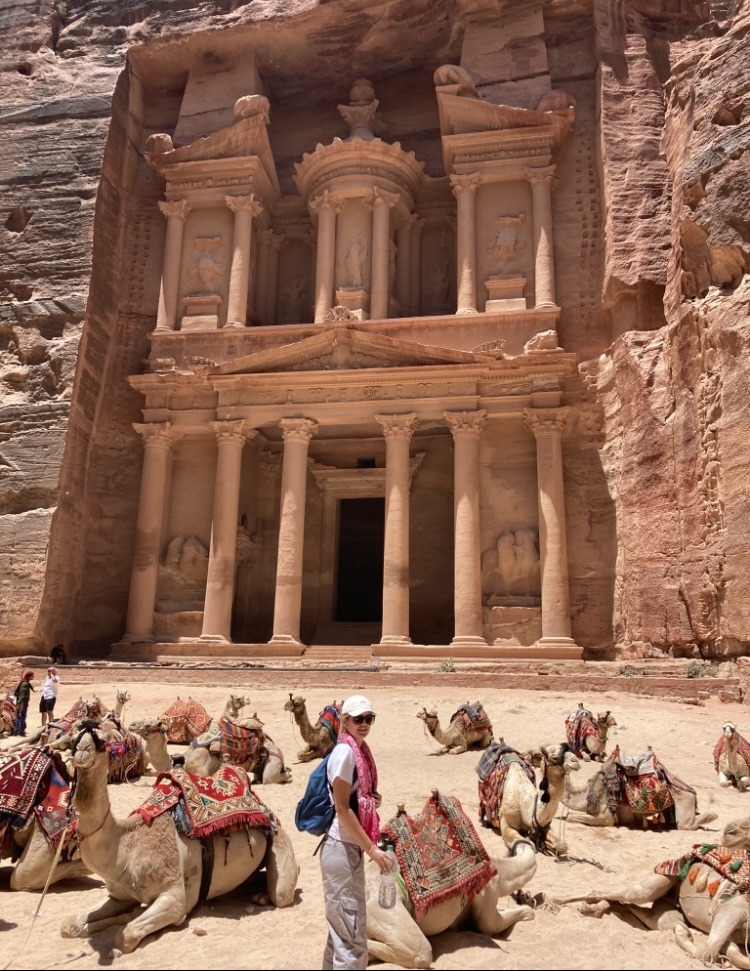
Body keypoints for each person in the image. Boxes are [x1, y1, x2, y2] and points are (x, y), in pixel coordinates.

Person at [319, 694, 393, 970]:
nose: (364, 724)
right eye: (358, 719)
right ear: (345, 721)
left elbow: (353, 800)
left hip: (348, 848)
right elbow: (341, 807)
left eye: (368, 719)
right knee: (351, 943)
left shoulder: (360, 751)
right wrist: (372, 850)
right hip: (341, 847)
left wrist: (370, 802)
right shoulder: (345, 754)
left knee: (342, 933)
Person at [11, 671, 34, 736]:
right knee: (22, 716)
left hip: (21, 702)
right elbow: (22, 695)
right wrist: (20, 704)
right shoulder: (25, 684)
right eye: (32, 676)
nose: (33, 677)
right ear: (29, 676)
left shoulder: (25, 683)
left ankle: (16, 731)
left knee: (19, 716)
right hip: (23, 702)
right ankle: (20, 732)